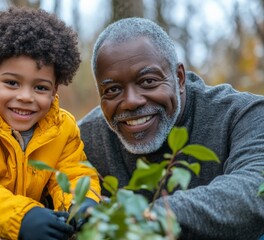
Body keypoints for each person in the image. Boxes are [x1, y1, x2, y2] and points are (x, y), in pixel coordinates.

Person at [78, 17, 264, 240]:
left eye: (148, 81)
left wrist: (146, 218)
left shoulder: (243, 115)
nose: (131, 101)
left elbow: (254, 191)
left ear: (179, 77)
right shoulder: (84, 139)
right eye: (113, 90)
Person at [0, 7, 100, 240]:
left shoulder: (62, 128)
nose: (25, 96)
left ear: (54, 91)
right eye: (12, 83)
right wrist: (21, 218)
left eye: (40, 87)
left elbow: (74, 173)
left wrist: (82, 204)